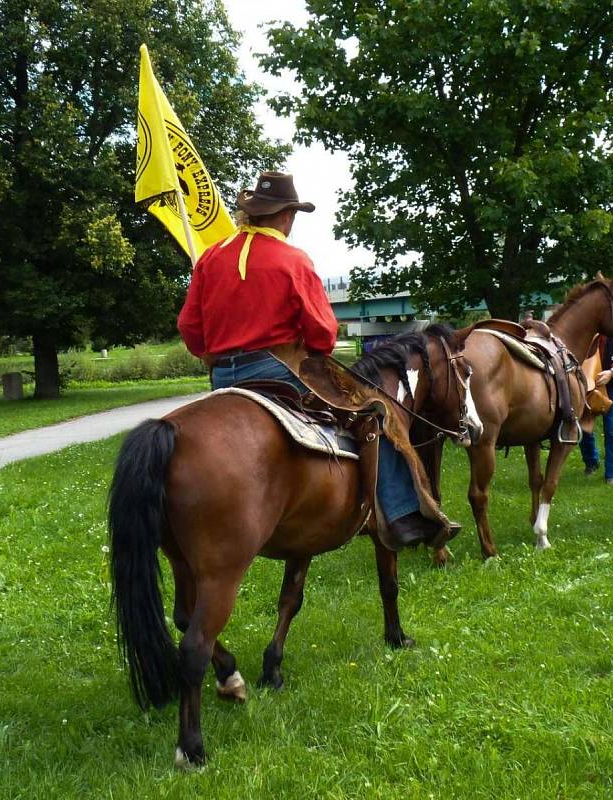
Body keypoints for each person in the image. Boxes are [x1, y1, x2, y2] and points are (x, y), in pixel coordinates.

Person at [177, 170, 446, 549]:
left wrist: (216, 351)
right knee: (374, 412)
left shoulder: (210, 258)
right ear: (286, 216)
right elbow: (323, 333)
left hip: (223, 378)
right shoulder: (291, 259)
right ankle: (401, 513)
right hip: (278, 371)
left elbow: (190, 327)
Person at [580, 336, 613, 485]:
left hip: (612, 383)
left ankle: (612, 474)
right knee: (584, 426)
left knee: (612, 427)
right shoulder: (588, 328)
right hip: (587, 383)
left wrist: (612, 371)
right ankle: (591, 461)